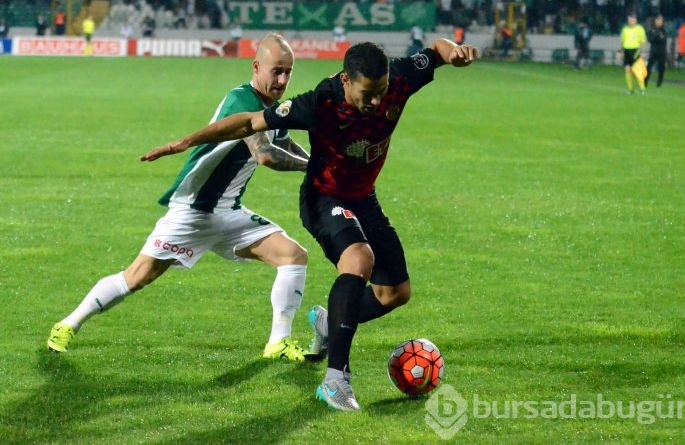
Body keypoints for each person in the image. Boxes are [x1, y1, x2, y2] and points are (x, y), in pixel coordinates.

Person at [140, 38, 479, 411]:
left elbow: (435, 51)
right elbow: (248, 123)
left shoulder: (396, 78)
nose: (376, 102)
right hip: (323, 198)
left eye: (381, 93)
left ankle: (328, 324)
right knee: (358, 260)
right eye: (367, 94)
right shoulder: (321, 102)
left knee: (394, 293)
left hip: (364, 198)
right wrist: (182, 143)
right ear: (346, 80)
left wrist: (455, 52)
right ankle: (336, 382)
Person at [47, 34, 312, 363]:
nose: (283, 80)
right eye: (277, 71)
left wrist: (318, 160)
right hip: (193, 212)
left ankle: (278, 342)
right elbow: (266, 154)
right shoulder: (243, 101)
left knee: (293, 256)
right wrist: (315, 167)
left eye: (288, 72)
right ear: (256, 67)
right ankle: (68, 324)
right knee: (137, 277)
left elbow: (283, 143)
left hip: (229, 214)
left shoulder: (273, 110)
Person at [620, 14, 647, 94]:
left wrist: (643, 52)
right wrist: (621, 52)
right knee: (627, 69)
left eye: (632, 20)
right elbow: (622, 41)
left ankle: (642, 89)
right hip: (626, 50)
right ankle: (630, 90)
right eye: (629, 20)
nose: (631, 22)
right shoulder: (625, 29)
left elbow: (643, 41)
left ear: (636, 20)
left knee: (637, 70)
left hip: (635, 50)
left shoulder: (639, 29)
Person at [645, 15, 667, 88]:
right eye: (658, 20)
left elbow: (664, 40)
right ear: (655, 21)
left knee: (661, 67)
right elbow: (650, 39)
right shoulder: (652, 29)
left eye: (661, 21)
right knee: (649, 66)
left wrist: (657, 38)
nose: (659, 22)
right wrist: (657, 37)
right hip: (653, 49)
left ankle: (659, 82)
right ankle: (645, 80)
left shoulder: (664, 30)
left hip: (661, 50)